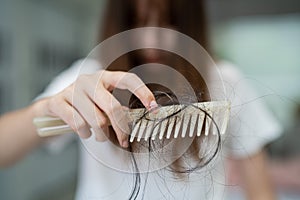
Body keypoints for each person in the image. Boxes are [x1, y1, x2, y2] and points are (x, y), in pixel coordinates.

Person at [0, 0, 281, 199]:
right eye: (137, 20)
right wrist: (44, 109)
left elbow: (261, 192)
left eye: (169, 20)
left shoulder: (226, 80)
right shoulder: (87, 77)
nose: (152, 36)